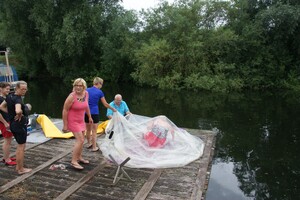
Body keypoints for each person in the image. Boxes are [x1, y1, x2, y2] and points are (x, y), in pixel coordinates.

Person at [0, 81, 31, 174]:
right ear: (17, 88)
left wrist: (10, 113)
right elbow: (18, 110)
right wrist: (19, 113)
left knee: (20, 146)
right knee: (21, 147)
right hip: (19, 125)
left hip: (13, 124)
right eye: (22, 89)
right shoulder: (17, 99)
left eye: (25, 89)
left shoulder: (10, 96)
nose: (24, 91)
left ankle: (18, 166)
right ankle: (20, 169)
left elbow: (1, 106)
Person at [62, 78, 93, 170]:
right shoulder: (71, 96)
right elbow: (65, 110)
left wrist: (89, 116)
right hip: (72, 121)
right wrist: (65, 125)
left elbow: (86, 105)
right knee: (80, 140)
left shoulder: (86, 94)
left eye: (80, 86)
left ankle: (79, 157)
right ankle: (74, 161)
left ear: (84, 87)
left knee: (82, 140)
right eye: (76, 85)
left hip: (81, 120)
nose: (78, 87)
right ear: (74, 86)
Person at [85, 77, 116, 152]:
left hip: (86, 112)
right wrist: (113, 109)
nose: (101, 86)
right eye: (101, 84)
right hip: (94, 113)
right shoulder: (100, 92)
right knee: (94, 131)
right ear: (99, 83)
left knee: (88, 129)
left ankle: (89, 143)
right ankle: (94, 147)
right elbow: (105, 104)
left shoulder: (87, 90)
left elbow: (82, 100)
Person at [0, 82, 16, 166]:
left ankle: (6, 157)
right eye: (7, 89)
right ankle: (7, 160)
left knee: (9, 140)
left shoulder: (4, 98)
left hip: (8, 120)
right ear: (1, 88)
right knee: (7, 141)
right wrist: (5, 123)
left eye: (9, 89)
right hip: (4, 122)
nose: (8, 91)